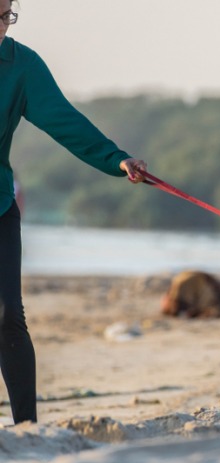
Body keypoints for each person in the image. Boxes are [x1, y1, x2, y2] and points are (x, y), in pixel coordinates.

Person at [0, 2, 147, 425]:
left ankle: (26, 428)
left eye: (6, 15)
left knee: (8, 315)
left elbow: (63, 119)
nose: (1, 26)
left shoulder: (20, 64)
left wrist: (116, 159)